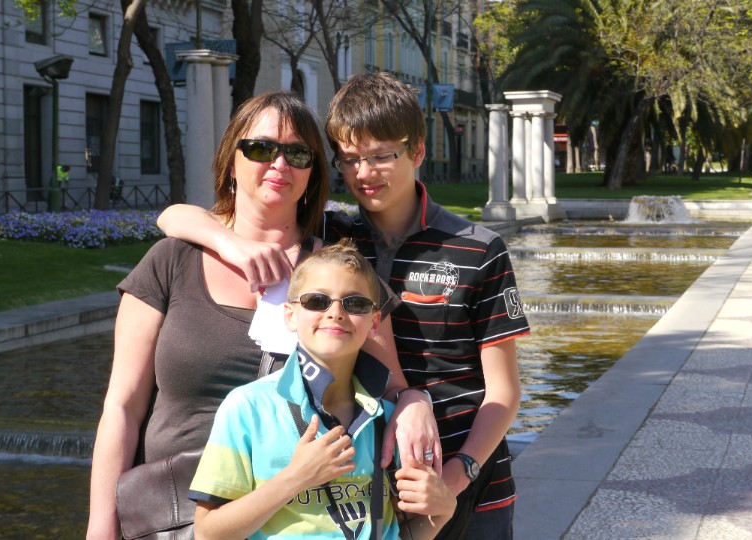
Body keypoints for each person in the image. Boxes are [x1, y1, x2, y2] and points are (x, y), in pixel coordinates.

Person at [157, 72, 531, 539]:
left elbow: (504, 393)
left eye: (381, 156)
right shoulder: (333, 240)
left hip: (471, 485)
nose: (364, 173)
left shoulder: (478, 248)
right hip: (373, 490)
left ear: (417, 151)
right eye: (350, 159)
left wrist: (453, 482)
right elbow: (174, 216)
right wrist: (229, 245)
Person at [86, 91, 437, 540]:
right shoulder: (171, 261)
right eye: (260, 148)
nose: (279, 164)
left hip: (301, 519)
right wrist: (101, 526)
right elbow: (122, 407)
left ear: (312, 173)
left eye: (298, 154)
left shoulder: (340, 275)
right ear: (231, 162)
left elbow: (391, 386)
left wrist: (415, 402)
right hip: (174, 516)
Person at [189, 239, 455, 540]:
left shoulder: (392, 420)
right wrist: (295, 478)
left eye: (355, 304)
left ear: (374, 322)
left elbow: (402, 533)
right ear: (290, 315)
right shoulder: (248, 408)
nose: (336, 312)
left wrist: (444, 511)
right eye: (317, 301)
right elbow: (208, 533)